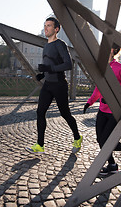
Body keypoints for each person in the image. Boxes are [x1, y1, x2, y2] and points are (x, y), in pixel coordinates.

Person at [25, 17, 83, 154]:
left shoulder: (59, 44)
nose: (46, 28)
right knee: (40, 112)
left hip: (59, 85)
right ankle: (40, 145)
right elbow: (51, 65)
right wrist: (43, 74)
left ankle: (77, 137)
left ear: (56, 29)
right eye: (45, 25)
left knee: (65, 114)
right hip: (48, 85)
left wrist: (49, 69)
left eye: (49, 26)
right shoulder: (46, 46)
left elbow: (68, 64)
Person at [83, 43, 121, 175]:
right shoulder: (102, 68)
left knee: (105, 139)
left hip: (114, 111)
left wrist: (114, 98)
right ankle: (112, 165)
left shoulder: (120, 68)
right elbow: (98, 89)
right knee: (100, 139)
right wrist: (89, 102)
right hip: (102, 110)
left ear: (113, 51)